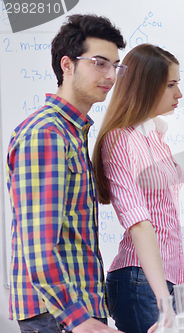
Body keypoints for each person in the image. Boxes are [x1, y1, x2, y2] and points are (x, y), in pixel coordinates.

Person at [6, 14, 126, 333]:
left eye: (115, 65)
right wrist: (78, 320)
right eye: (99, 63)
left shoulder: (72, 131)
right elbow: (38, 242)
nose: (110, 75)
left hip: (73, 308)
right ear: (67, 65)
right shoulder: (47, 134)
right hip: (59, 315)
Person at [92, 44, 184, 333]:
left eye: (178, 84)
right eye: (171, 85)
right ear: (145, 86)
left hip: (164, 279)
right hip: (140, 281)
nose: (179, 94)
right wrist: (163, 300)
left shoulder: (156, 136)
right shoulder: (120, 139)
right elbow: (138, 223)